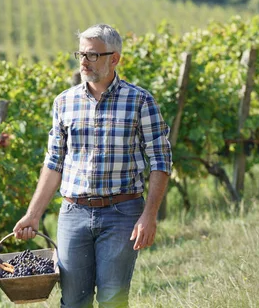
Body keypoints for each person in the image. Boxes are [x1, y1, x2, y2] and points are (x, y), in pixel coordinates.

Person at [13, 24, 172, 308]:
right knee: (74, 301)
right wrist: (32, 214)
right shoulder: (64, 102)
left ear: (114, 59)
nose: (84, 61)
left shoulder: (140, 101)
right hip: (73, 213)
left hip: (122, 214)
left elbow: (160, 161)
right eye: (81, 54)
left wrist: (149, 216)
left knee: (112, 300)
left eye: (93, 55)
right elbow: (53, 163)